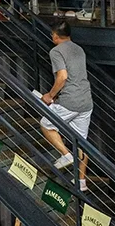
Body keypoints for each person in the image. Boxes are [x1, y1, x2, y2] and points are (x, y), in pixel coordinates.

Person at [37, 21, 92, 190]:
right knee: (81, 142)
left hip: (70, 101)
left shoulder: (56, 51)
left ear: (54, 35)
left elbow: (62, 77)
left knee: (46, 124)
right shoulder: (79, 49)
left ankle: (66, 155)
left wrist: (50, 96)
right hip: (86, 101)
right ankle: (81, 181)